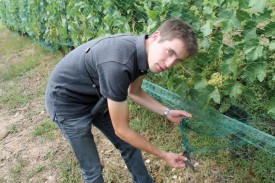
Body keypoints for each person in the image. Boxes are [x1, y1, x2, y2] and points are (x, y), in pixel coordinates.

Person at [45, 18, 198, 183]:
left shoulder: (145, 53)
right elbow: (122, 130)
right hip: (66, 104)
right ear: (155, 36)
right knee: (93, 170)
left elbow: (135, 92)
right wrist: (164, 155)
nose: (169, 64)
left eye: (177, 61)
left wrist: (166, 112)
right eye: (170, 52)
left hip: (96, 95)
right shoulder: (118, 64)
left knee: (130, 145)